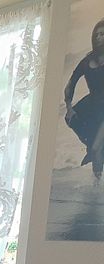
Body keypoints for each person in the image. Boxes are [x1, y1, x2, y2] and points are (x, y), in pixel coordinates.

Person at [64, 19, 104, 181]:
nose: (99, 37)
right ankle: (96, 186)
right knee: (71, 119)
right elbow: (70, 84)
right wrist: (69, 107)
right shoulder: (87, 61)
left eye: (103, 34)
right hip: (93, 105)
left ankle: (96, 184)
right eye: (97, 35)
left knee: (96, 148)